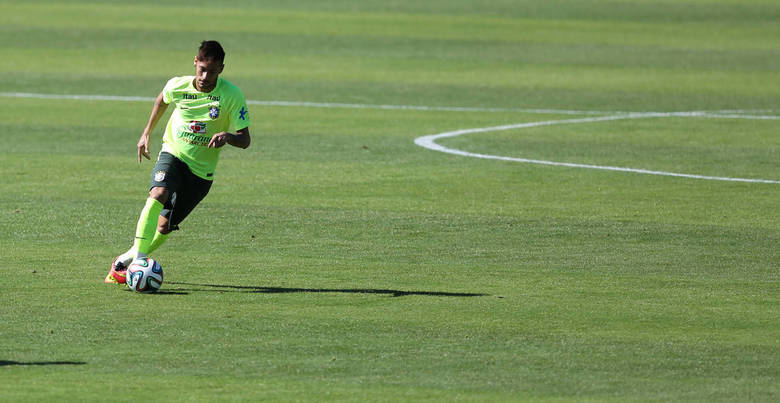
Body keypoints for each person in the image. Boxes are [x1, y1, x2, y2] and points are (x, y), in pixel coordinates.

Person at [105, 40, 251, 284]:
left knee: (163, 228)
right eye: (202, 69)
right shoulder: (178, 85)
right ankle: (140, 262)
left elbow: (245, 139)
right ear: (195, 62)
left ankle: (126, 259)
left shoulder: (232, 95)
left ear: (221, 69)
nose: (205, 76)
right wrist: (146, 132)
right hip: (173, 153)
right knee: (158, 192)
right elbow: (162, 100)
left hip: (201, 173)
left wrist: (228, 137)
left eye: (212, 71)